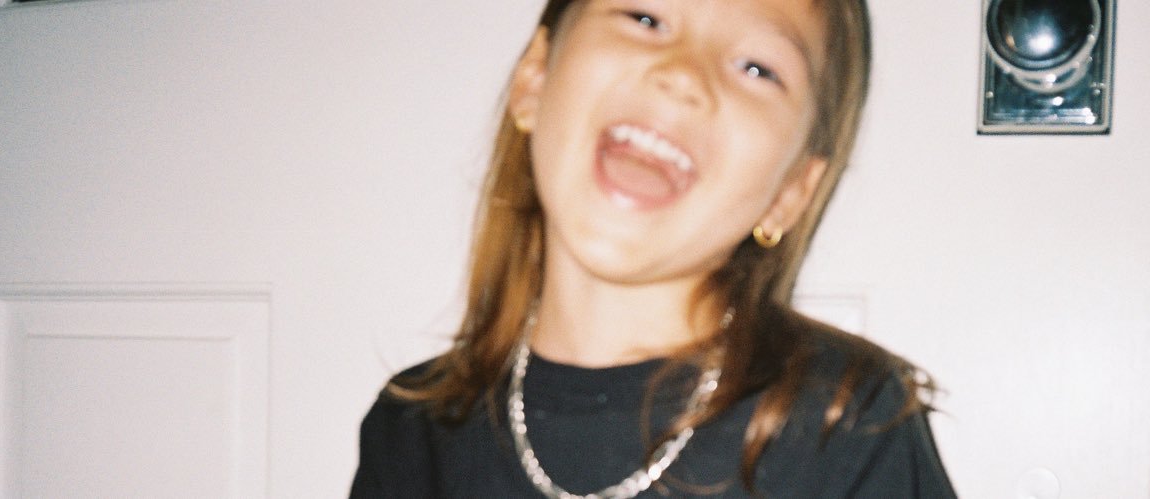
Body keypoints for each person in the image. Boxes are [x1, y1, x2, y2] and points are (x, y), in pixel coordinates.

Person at [351, 0, 956, 497]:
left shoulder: (847, 427)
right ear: (534, 77)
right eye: (645, 17)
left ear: (792, 192)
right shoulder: (411, 433)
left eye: (756, 67)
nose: (684, 74)